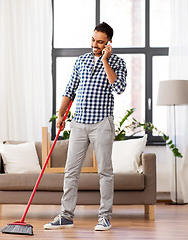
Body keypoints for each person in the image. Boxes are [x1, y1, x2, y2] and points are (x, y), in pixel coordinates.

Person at [44, 22, 127, 231]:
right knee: (71, 171)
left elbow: (119, 88)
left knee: (105, 172)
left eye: (100, 42)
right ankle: (66, 215)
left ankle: (104, 217)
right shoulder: (80, 61)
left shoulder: (117, 62)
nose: (95, 44)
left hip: (102, 123)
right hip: (79, 123)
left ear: (108, 43)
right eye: (93, 40)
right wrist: (61, 114)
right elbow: (70, 89)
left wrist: (105, 60)